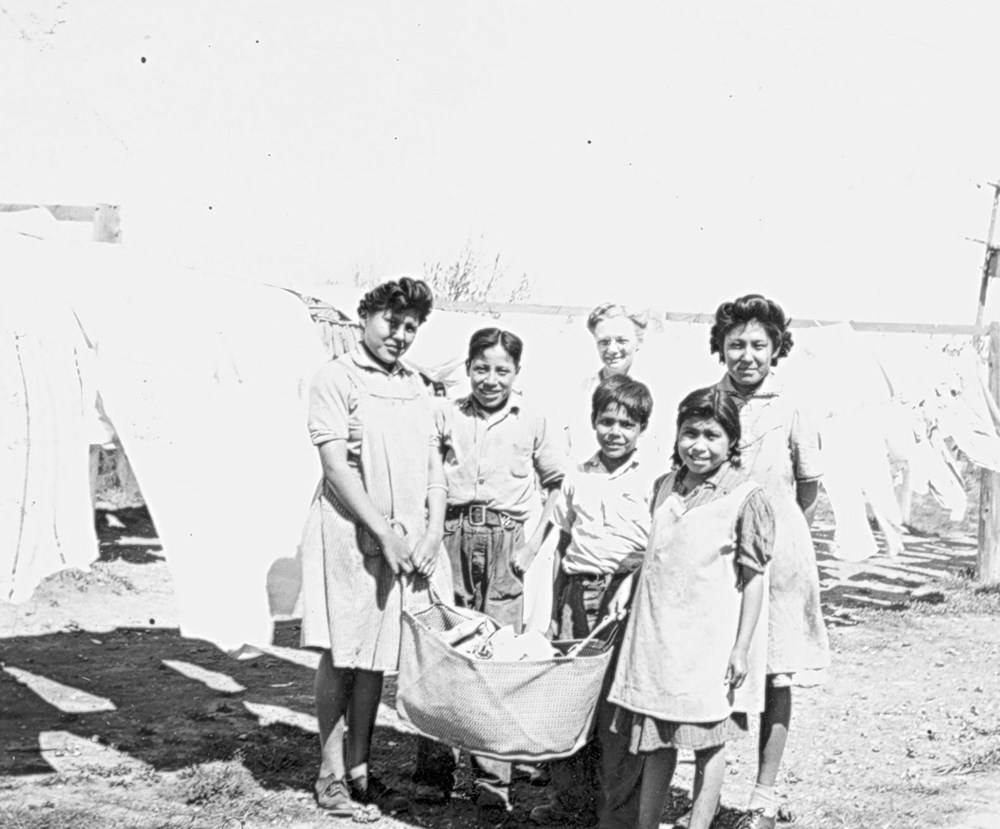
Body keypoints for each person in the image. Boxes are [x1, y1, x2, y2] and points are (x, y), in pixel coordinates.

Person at [299, 277, 453, 816]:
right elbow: (336, 467)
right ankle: (329, 773)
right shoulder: (335, 378)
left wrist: (431, 531)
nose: (401, 334)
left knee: (376, 656)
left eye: (411, 326)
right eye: (392, 321)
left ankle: (361, 769)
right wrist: (380, 531)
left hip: (404, 538)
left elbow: (435, 466)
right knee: (342, 650)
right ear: (365, 316)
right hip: (349, 531)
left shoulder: (418, 385)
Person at [415, 327, 570, 812]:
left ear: (516, 374)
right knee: (442, 649)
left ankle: (491, 781)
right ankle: (434, 774)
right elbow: (425, 469)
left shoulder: (533, 419)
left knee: (498, 658)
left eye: (502, 370)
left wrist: (530, 549)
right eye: (481, 368)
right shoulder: (446, 414)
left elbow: (558, 485)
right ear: (467, 369)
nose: (490, 379)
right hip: (452, 536)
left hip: (506, 542)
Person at [607, 387, 773, 829]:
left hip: (709, 641)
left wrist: (741, 647)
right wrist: (630, 586)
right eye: (690, 434)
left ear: (731, 441)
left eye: (712, 436)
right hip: (660, 636)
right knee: (659, 737)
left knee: (707, 739)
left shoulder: (745, 499)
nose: (699, 445)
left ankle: (700, 822)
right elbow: (658, 552)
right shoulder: (665, 487)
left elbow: (755, 579)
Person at [710, 294, 831, 829]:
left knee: (777, 675)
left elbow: (808, 484)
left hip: (781, 558)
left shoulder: (793, 404)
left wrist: (774, 524)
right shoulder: (707, 401)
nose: (747, 355)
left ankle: (762, 795)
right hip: (719, 554)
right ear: (722, 349)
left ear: (777, 348)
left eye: (759, 345)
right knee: (715, 668)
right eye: (736, 344)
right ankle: (704, 794)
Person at [529, 375, 657, 828]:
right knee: (569, 698)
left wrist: (633, 583)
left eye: (626, 424)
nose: (615, 432)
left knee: (616, 709)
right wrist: (547, 612)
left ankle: (615, 813)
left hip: (627, 597)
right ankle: (570, 802)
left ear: (642, 429)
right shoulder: (576, 477)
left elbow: (659, 546)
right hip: (576, 594)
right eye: (606, 421)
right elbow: (558, 544)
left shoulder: (654, 479)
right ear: (593, 422)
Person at [566, 304, 650, 461]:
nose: (612, 349)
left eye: (621, 340)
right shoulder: (580, 392)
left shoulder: (655, 393)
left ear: (639, 342)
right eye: (604, 342)